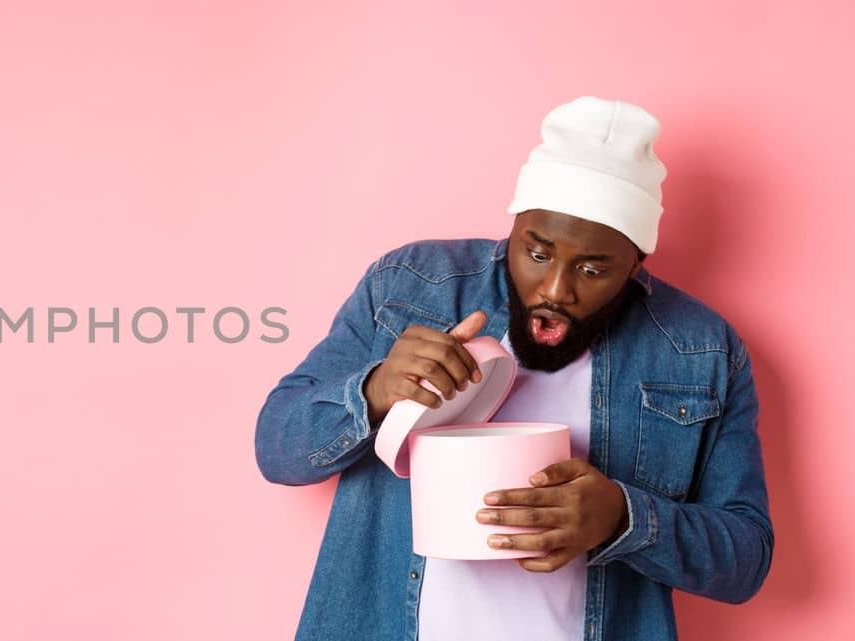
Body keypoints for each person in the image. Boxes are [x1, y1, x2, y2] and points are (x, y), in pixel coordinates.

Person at [253, 96, 772, 641]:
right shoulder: (406, 287)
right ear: (516, 227)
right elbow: (277, 449)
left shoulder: (701, 349)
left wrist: (623, 518)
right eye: (539, 253)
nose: (555, 290)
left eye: (593, 269)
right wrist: (378, 389)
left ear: (636, 262)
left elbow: (746, 558)